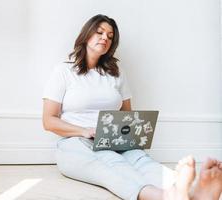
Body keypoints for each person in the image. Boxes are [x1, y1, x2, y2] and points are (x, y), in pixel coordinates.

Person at [42, 14, 222, 200]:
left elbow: (127, 116)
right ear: (86, 34)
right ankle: (165, 196)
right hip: (76, 143)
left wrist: (128, 134)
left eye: (110, 36)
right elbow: (49, 121)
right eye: (100, 32)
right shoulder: (63, 71)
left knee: (141, 159)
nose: (105, 38)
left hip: (113, 139)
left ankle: (192, 192)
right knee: (112, 164)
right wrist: (84, 131)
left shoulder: (115, 73)